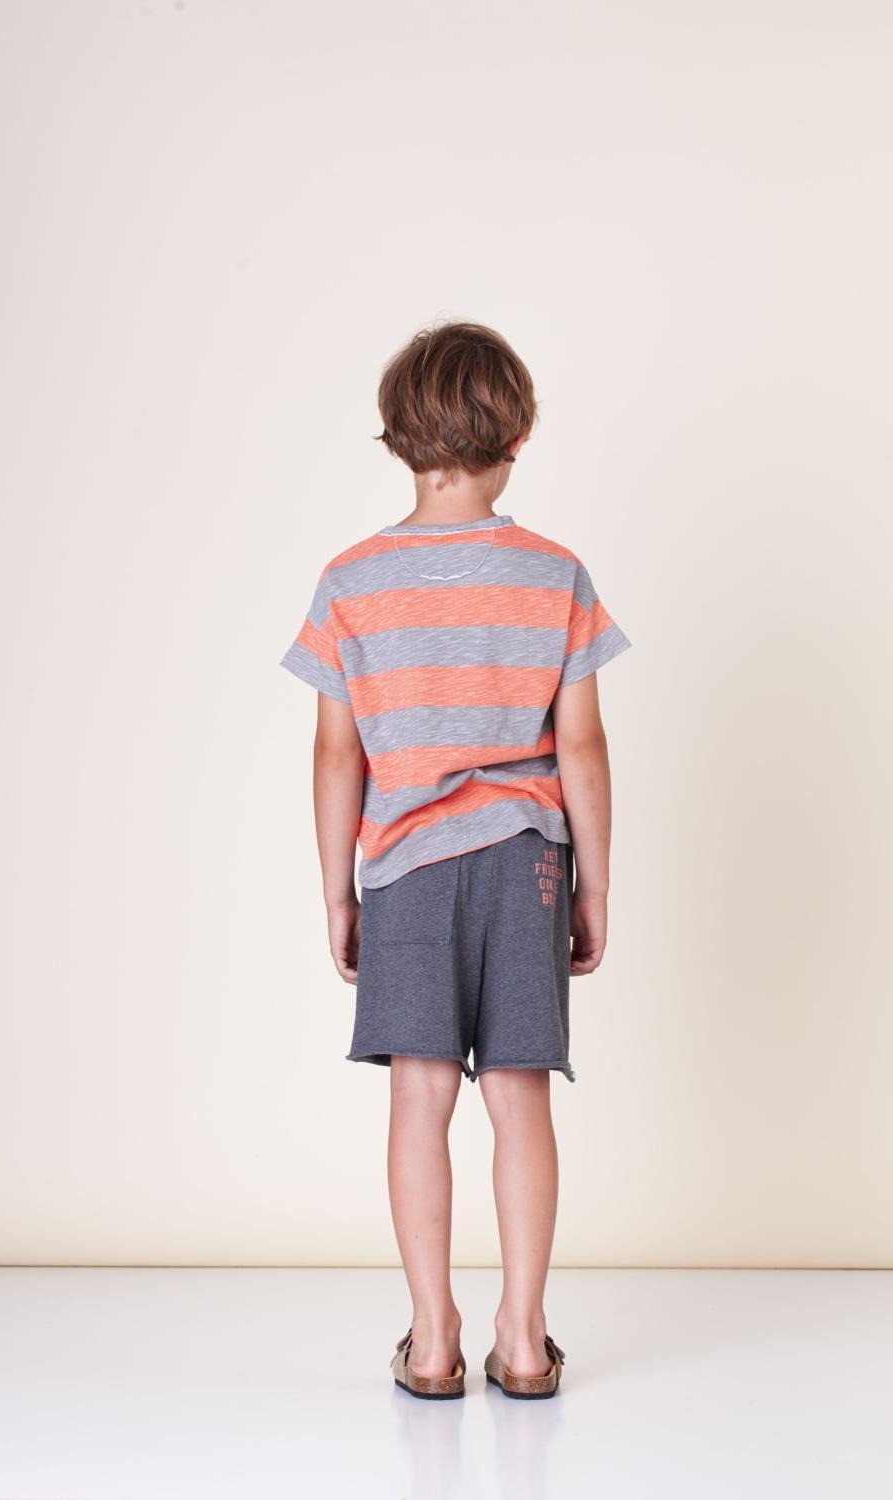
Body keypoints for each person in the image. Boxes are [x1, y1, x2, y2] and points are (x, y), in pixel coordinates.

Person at [279, 321, 632, 1400]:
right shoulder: (555, 574)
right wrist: (593, 883)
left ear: (396, 436)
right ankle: (523, 1340)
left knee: (419, 1097)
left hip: (404, 868)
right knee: (520, 1096)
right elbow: (581, 746)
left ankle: (432, 1341)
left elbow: (336, 752)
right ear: (517, 435)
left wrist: (337, 892)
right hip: (525, 860)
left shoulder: (349, 582)